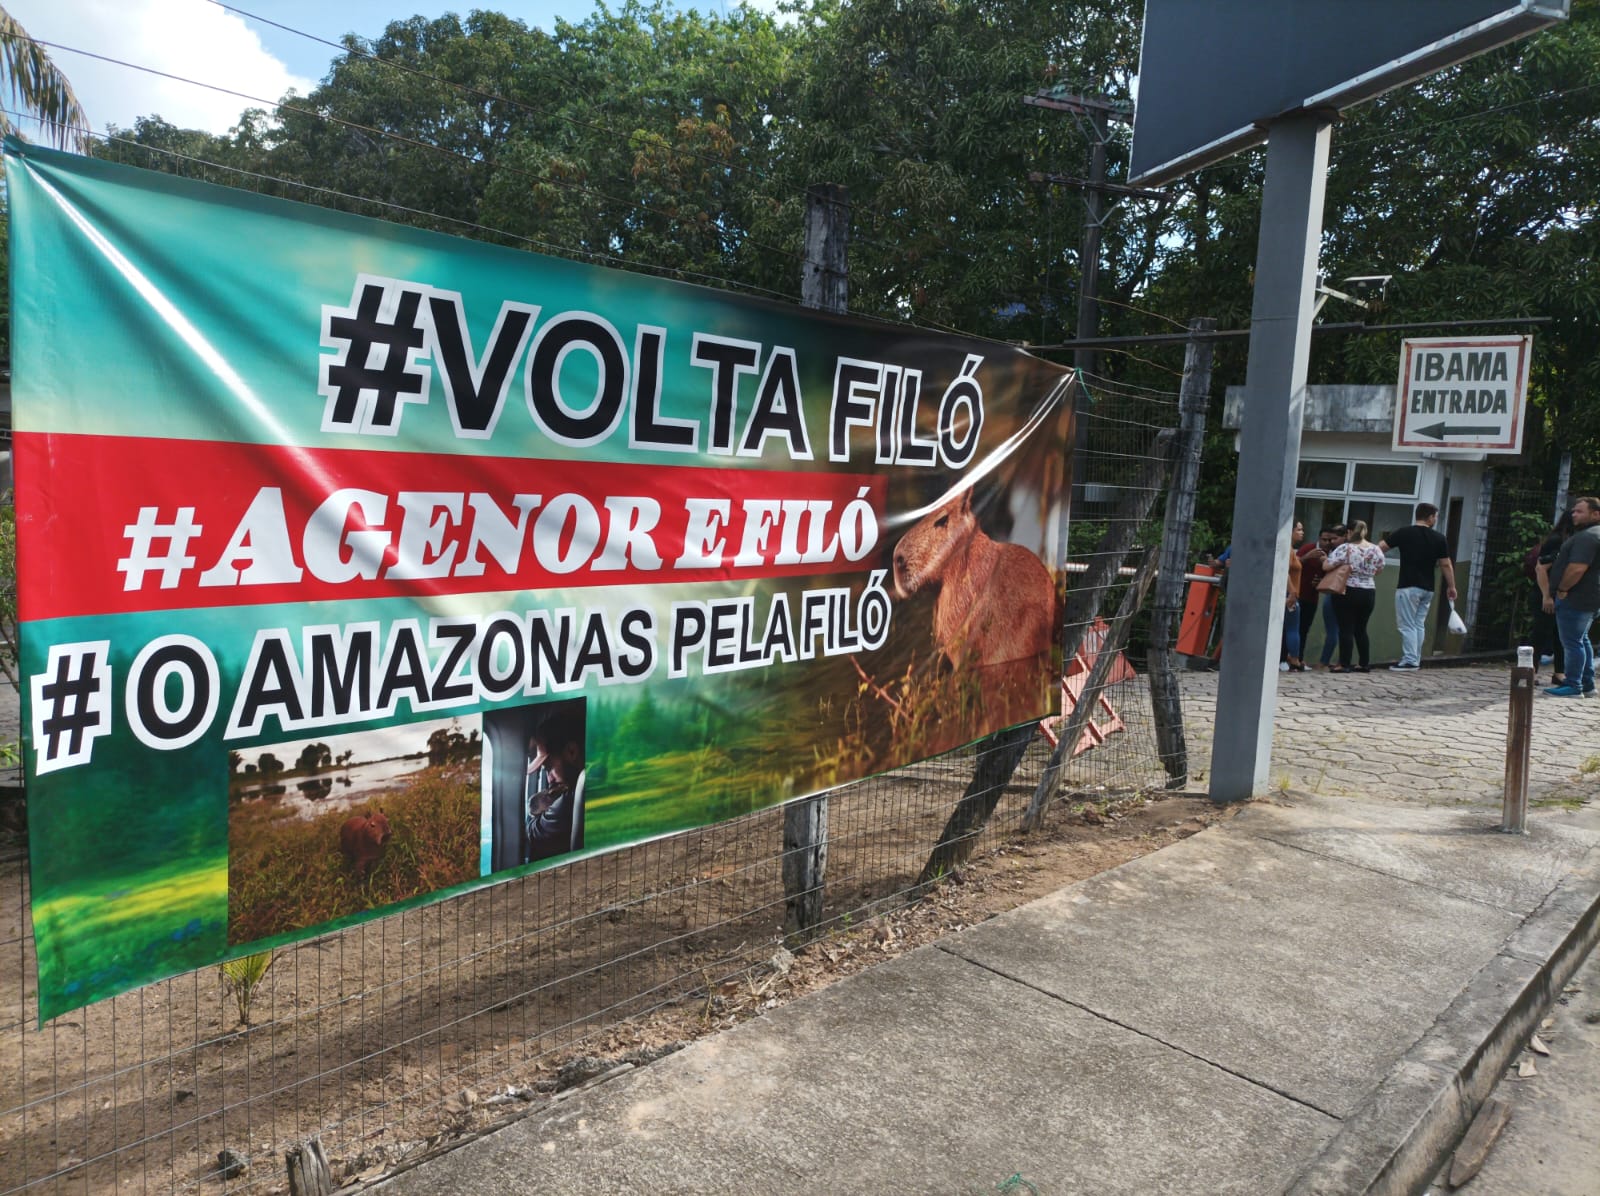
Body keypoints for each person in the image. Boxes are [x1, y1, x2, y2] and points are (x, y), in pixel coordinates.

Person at [1379, 502, 1457, 671]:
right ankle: (1416, 657)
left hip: (1407, 585)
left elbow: (1381, 548)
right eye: (1435, 516)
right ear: (1429, 517)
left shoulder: (1403, 533)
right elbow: (1446, 564)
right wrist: (1451, 586)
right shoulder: (1439, 538)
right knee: (1418, 624)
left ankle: (1410, 660)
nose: (1436, 519)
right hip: (1428, 588)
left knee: (1406, 624)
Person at [1542, 496, 1600, 698]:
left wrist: (1562, 589)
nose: (1574, 514)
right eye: (1574, 511)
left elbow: (1577, 568)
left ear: (1595, 514)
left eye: (1580, 511)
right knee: (1581, 640)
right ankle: (1587, 683)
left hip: (1576, 597)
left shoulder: (1587, 537)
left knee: (1572, 642)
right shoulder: (1592, 535)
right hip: (1589, 597)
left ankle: (1574, 684)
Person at [525, 707, 588, 861]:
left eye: (549, 768)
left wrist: (534, 810)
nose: (549, 778)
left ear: (572, 751)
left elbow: (534, 834)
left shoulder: (568, 800)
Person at [1325, 520, 1385, 673]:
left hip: (1348, 590)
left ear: (1349, 532)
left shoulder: (1345, 548)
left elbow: (1326, 566)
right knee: (1361, 629)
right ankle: (1364, 663)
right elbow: (1379, 570)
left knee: (1346, 628)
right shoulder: (1375, 549)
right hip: (1369, 591)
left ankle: (1344, 664)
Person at [1532, 511, 1575, 687]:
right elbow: (1541, 568)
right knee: (1540, 632)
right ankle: (1531, 670)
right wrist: (1547, 595)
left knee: (1560, 634)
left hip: (1559, 594)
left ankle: (1559, 672)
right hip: (1546, 593)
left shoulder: (1570, 539)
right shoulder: (1557, 540)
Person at [1297, 525, 1339, 667]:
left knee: (1304, 629)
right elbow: (1292, 565)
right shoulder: (1308, 549)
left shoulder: (1333, 556)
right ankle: (1287, 659)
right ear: (1319, 539)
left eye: (1330, 540)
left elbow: (1333, 577)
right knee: (1291, 628)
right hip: (1297, 594)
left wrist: (1321, 583)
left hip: (1312, 597)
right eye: (1324, 540)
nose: (1327, 543)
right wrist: (1306, 557)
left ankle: (1299, 659)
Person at [1281, 522, 1305, 671]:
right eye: (1299, 529)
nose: (1302, 532)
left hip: (1291, 592)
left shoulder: (1291, 549)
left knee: (1290, 627)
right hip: (1289, 593)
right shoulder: (1287, 549)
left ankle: (1290, 656)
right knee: (1292, 627)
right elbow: (1285, 572)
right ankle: (1294, 658)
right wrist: (1292, 592)